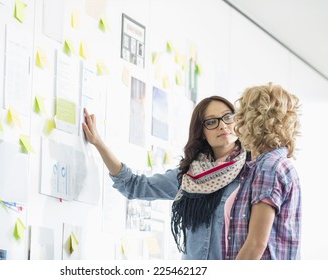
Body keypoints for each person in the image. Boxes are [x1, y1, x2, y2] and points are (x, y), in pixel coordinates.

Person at [82, 96, 247, 260]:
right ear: (202, 132)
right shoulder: (190, 177)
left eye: (228, 117)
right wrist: (98, 143)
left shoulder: (252, 173)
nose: (223, 125)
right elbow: (133, 185)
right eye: (211, 122)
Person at [226, 83, 301, 260]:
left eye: (242, 116)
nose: (237, 125)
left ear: (255, 121)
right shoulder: (277, 165)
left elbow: (256, 245)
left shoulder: (268, 168)